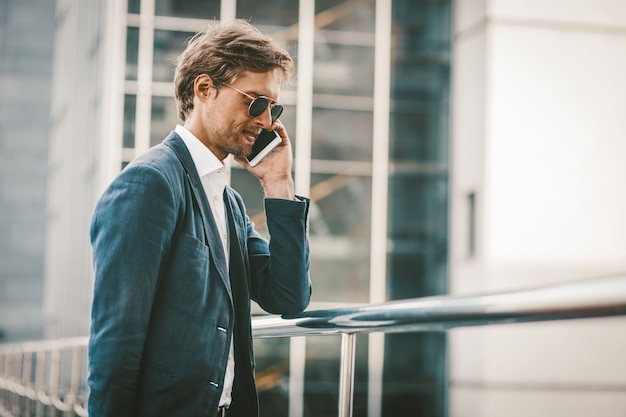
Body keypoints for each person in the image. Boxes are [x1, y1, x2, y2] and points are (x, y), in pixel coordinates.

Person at [88, 19, 311, 417]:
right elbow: (116, 345)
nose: (266, 121)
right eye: (255, 102)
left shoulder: (228, 202)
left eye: (274, 107)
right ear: (205, 89)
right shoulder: (150, 182)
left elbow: (290, 297)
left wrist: (279, 182)